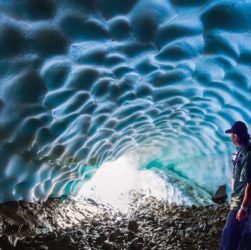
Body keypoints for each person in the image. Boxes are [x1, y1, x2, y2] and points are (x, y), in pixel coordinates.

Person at [219, 121, 251, 250]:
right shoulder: (241, 152)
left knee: (228, 242)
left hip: (241, 205)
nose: (231, 137)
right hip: (240, 203)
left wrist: (243, 207)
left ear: (236, 136)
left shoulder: (248, 154)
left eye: (231, 134)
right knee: (244, 240)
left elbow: (250, 183)